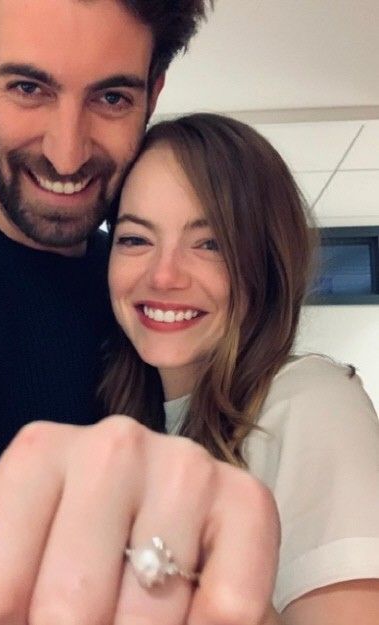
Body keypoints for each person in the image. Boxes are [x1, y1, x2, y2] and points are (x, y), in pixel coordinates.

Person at [0, 2, 284, 625]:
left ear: (153, 95)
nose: (66, 154)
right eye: (28, 88)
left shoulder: (147, 299)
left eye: (112, 98)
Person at [102, 113, 379, 622]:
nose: (163, 275)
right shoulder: (133, 428)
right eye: (135, 239)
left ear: (264, 263)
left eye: (209, 244)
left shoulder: (310, 402)